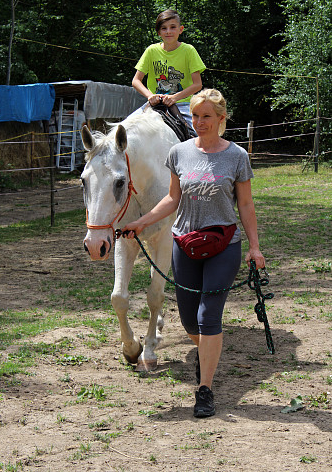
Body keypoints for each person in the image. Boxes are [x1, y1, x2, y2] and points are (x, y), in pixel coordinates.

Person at [123, 88, 265, 418]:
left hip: (223, 245)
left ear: (221, 119)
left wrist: (255, 247)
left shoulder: (236, 156)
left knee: (207, 316)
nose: (199, 122)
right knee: (189, 321)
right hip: (184, 244)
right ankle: (207, 351)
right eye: (196, 116)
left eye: (207, 117)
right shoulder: (179, 153)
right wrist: (140, 222)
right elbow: (172, 199)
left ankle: (205, 390)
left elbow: (245, 203)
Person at [130, 9, 206, 128]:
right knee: (125, 127)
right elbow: (136, 80)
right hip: (154, 104)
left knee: (198, 134)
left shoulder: (189, 51)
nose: (168, 31)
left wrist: (175, 97)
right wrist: (150, 96)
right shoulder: (151, 50)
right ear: (159, 32)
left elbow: (197, 84)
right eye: (164, 28)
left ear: (180, 29)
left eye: (172, 27)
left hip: (182, 104)